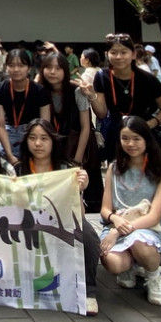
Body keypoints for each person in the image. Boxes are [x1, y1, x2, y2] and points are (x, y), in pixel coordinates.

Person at [16, 119, 100, 315]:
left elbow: (79, 214)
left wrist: (80, 189)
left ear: (53, 141)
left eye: (44, 138)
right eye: (33, 138)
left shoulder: (65, 170)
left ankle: (88, 292)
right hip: (29, 224)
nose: (38, 143)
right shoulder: (19, 170)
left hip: (61, 222)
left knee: (88, 236)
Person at [99, 116, 161, 307]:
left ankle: (153, 275)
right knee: (111, 262)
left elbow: (154, 217)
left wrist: (117, 231)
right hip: (118, 225)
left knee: (140, 242)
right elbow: (105, 209)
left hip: (149, 230)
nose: (130, 144)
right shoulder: (113, 168)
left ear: (146, 140)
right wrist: (114, 220)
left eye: (136, 138)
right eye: (125, 138)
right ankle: (131, 266)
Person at [81, 33, 161, 161]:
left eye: (124, 52)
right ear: (107, 54)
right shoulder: (102, 77)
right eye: (113, 52)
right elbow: (102, 113)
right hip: (116, 134)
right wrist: (91, 96)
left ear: (133, 54)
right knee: (117, 171)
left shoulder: (147, 79)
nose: (118, 57)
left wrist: (149, 124)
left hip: (143, 133)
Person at [39, 51, 103, 212]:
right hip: (52, 149)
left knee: (75, 199)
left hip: (74, 147)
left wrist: (77, 160)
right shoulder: (41, 91)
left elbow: (86, 127)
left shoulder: (76, 91)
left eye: (58, 68)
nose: (52, 72)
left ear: (65, 70)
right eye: (48, 67)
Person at [0, 48, 51, 168]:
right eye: (11, 65)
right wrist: (10, 156)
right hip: (8, 135)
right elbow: (0, 126)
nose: (16, 69)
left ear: (29, 68)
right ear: (6, 67)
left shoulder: (40, 91)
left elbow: (45, 124)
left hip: (33, 135)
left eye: (21, 65)